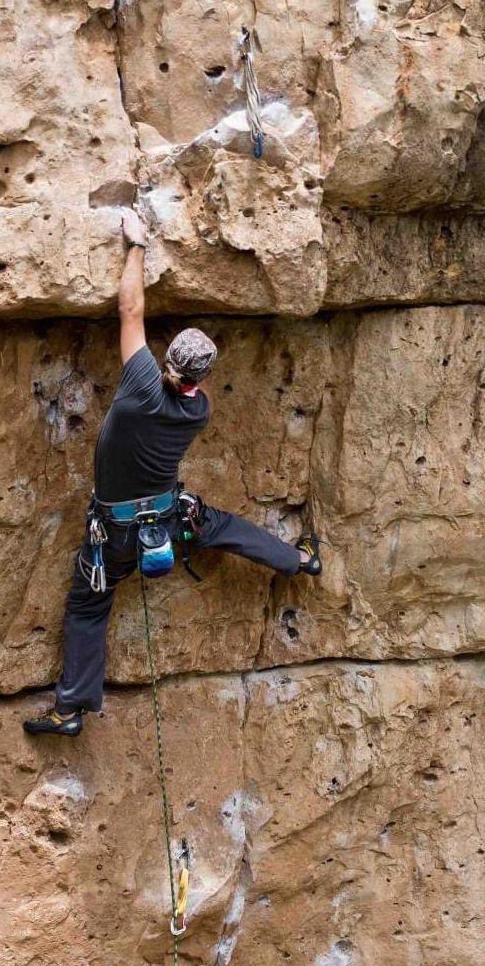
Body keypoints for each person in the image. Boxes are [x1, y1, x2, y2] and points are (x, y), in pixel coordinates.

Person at [24, 210, 322, 737]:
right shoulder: (199, 408)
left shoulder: (140, 385)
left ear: (165, 362)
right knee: (223, 527)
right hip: (167, 520)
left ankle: (69, 711)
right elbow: (185, 379)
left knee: (89, 606)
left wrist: (137, 243)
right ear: (201, 378)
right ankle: (299, 559)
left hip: (115, 535)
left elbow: (130, 309)